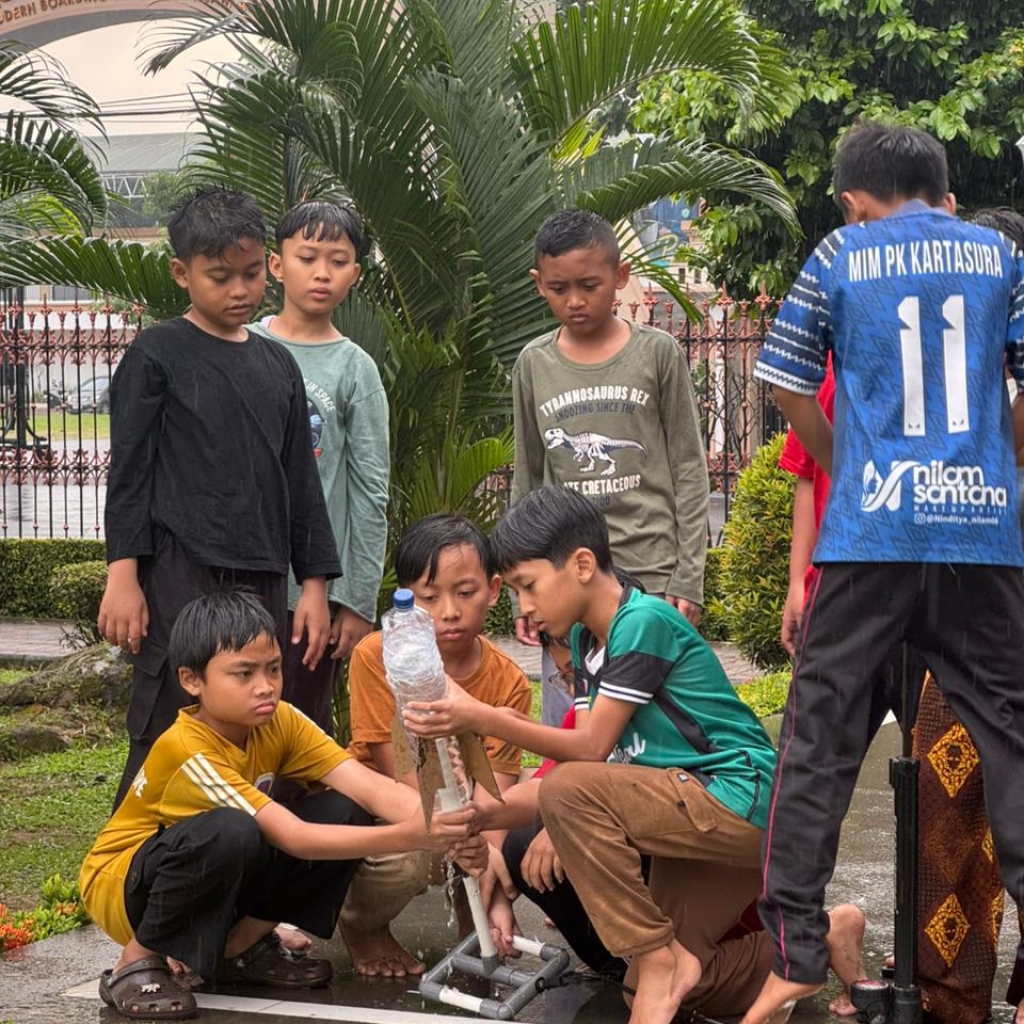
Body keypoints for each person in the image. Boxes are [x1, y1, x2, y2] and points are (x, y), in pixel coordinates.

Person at [743, 122, 1024, 1024]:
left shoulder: (839, 251)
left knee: (818, 738)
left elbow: (783, 378)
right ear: (940, 186)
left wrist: (849, 467)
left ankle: (793, 952)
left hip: (869, 538)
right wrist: (997, 468)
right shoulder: (998, 254)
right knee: (1014, 743)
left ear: (853, 198)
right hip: (982, 536)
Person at [403, 485, 867, 1024]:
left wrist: (480, 714)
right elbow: (591, 765)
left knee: (571, 802)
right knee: (663, 987)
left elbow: (590, 751)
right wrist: (487, 815)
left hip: (742, 801)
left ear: (581, 564)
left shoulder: (642, 622)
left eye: (528, 587)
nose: (524, 609)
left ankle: (655, 955)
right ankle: (827, 929)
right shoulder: (585, 640)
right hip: (688, 809)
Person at [80, 589, 481, 1022]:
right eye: (244, 673)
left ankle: (240, 949)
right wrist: (417, 834)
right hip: (127, 890)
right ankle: (134, 962)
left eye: (273, 669)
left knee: (343, 809)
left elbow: (368, 788)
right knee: (233, 830)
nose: (265, 686)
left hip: (208, 873)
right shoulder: (187, 748)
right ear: (192, 680)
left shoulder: (280, 720)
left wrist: (448, 822)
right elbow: (296, 838)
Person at [98, 188, 340, 810]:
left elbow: (301, 485)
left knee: (255, 719)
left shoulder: (277, 366)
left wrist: (312, 586)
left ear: (268, 265)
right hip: (180, 573)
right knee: (169, 719)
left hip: (261, 579)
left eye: (252, 273)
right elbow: (129, 473)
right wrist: (122, 576)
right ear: (181, 273)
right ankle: (131, 877)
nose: (240, 289)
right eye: (220, 276)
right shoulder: (156, 355)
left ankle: (247, 879)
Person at [511, 207, 709, 725]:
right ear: (538, 283)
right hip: (566, 586)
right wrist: (523, 592)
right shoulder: (534, 364)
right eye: (558, 288)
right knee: (574, 728)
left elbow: (689, 467)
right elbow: (528, 479)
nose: (574, 301)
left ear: (620, 277)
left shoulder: (658, 353)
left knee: (664, 729)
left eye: (589, 285)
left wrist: (688, 577)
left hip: (651, 572)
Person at [340, 513, 533, 977]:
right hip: (391, 805)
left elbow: (498, 795)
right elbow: (401, 773)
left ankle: (476, 923)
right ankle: (361, 925)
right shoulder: (377, 655)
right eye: (428, 598)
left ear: (491, 589)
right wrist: (465, 837)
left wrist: (492, 877)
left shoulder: (510, 681)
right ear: (405, 600)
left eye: (465, 593)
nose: (448, 611)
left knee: (525, 820)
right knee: (420, 852)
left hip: (466, 808)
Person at [248, 201, 390, 732]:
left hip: (312, 595)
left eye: (338, 260)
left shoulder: (355, 369)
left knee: (299, 726)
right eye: (308, 257)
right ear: (277, 265)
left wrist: (353, 598)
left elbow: (370, 491)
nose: (322, 272)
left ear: (355, 273)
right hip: (236, 577)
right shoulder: (245, 345)